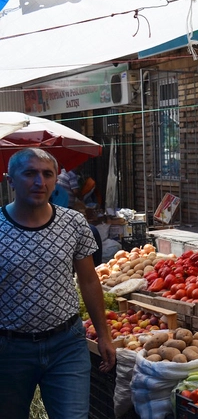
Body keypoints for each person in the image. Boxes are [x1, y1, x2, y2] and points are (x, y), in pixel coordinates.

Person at [0, 148, 116, 418]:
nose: (40, 182)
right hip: (9, 350)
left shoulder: (73, 223)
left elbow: (88, 280)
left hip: (67, 344)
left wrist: (104, 335)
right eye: (30, 173)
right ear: (11, 180)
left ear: (55, 180)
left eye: (47, 174)